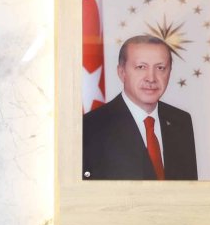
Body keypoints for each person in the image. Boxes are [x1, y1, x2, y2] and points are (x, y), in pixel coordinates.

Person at [82, 34, 198, 180]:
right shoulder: (91, 127)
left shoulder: (181, 121)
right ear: (122, 72)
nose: (151, 78)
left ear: (169, 73)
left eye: (160, 68)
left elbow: (189, 189)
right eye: (141, 67)